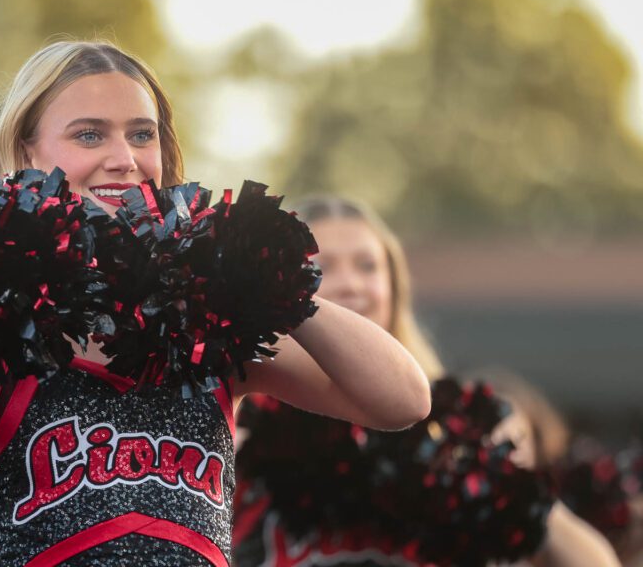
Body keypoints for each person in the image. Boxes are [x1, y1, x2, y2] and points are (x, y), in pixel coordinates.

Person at [0, 40, 430, 567]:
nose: (124, 159)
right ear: (27, 153)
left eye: (142, 134)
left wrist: (274, 285)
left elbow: (403, 400)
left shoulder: (211, 324)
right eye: (89, 134)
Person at [233, 195, 619, 566]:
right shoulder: (246, 417)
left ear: (394, 286)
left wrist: (510, 479)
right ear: (282, 283)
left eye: (368, 266)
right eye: (323, 266)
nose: (351, 284)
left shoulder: (455, 426)